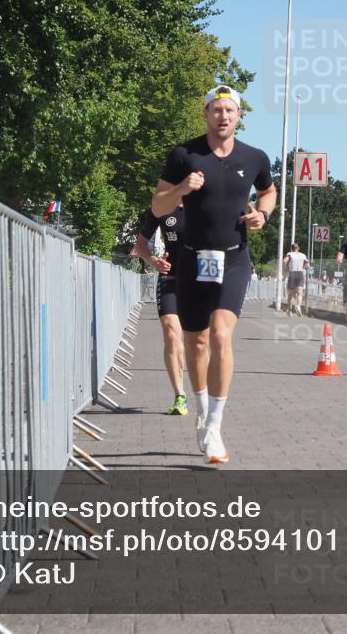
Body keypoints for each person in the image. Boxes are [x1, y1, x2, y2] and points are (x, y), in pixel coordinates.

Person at [152, 85, 276, 465]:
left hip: (235, 258)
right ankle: (203, 414)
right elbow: (158, 206)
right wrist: (182, 189)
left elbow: (268, 192)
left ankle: (215, 426)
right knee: (198, 343)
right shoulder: (183, 155)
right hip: (192, 260)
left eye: (230, 111)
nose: (223, 116)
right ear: (205, 113)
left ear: (239, 116)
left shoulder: (255, 157)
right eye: (216, 110)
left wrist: (262, 214)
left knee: (221, 334)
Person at [131, 205, 188, 416]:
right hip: (169, 277)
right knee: (172, 334)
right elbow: (140, 245)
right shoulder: (160, 207)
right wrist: (154, 261)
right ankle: (180, 395)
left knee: (196, 341)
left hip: (198, 281)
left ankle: (205, 393)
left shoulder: (205, 203)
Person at [283, 242, 309, 316]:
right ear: (298, 248)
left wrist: (285, 268)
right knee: (300, 293)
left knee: (290, 294)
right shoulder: (303, 255)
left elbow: (284, 261)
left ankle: (289, 310)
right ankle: (298, 306)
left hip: (292, 273)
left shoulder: (290, 254)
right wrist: (302, 267)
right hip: (300, 273)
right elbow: (308, 265)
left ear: (292, 249)